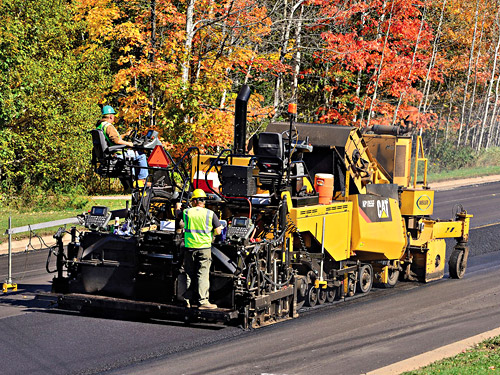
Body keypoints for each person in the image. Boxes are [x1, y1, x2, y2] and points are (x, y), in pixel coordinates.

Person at [176, 189, 222, 309]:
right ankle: (203, 302)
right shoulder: (210, 214)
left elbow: (178, 217)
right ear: (203, 201)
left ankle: (186, 301)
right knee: (202, 274)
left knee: (189, 274)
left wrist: (177, 207)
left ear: (194, 201)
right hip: (204, 248)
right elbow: (218, 231)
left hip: (189, 248)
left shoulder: (186, 212)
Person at [96, 105, 149, 184]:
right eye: (113, 116)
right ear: (110, 116)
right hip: (116, 154)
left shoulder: (100, 126)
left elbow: (111, 138)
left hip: (109, 154)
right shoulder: (109, 126)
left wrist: (124, 135)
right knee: (141, 156)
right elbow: (116, 141)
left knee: (135, 156)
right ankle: (142, 181)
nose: (114, 118)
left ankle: (134, 181)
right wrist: (129, 143)